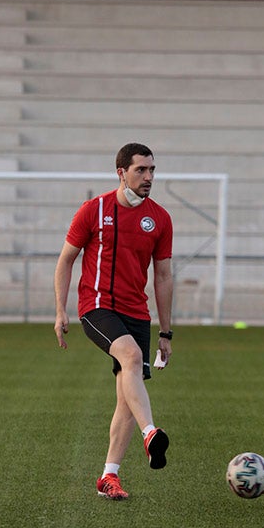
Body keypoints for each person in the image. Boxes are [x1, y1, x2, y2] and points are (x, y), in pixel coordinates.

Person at [53, 143, 173, 500]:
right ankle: (150, 432)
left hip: (138, 312)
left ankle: (109, 476)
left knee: (125, 396)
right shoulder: (94, 210)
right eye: (141, 170)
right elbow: (65, 261)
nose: (149, 177)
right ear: (121, 172)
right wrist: (61, 311)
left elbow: (163, 277)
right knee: (133, 357)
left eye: (152, 170)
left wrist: (165, 332)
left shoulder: (160, 218)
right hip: (97, 307)